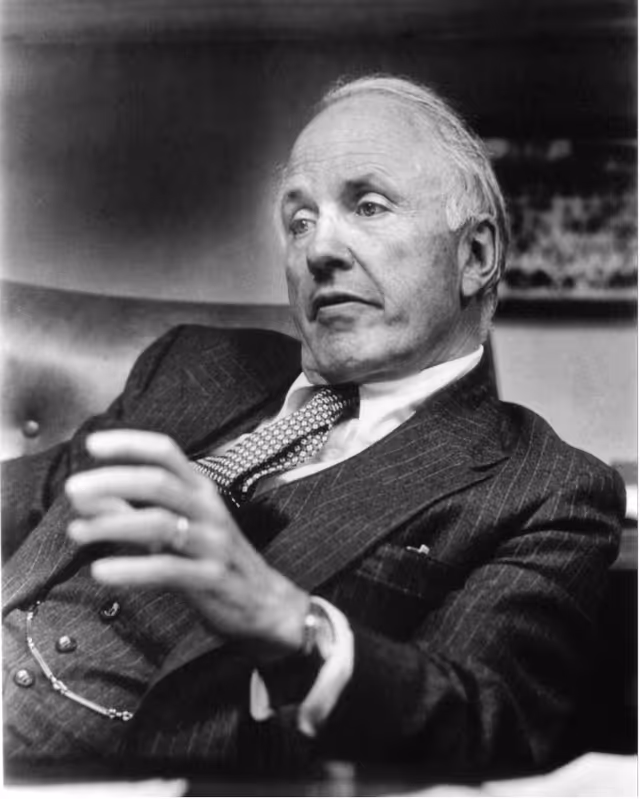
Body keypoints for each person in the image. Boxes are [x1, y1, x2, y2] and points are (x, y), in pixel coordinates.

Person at [2, 74, 625, 777]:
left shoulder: (546, 489)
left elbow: (482, 721)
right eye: (298, 220)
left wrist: (291, 624)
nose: (318, 249)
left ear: (475, 256)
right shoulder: (194, 364)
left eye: (367, 204)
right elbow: (31, 493)